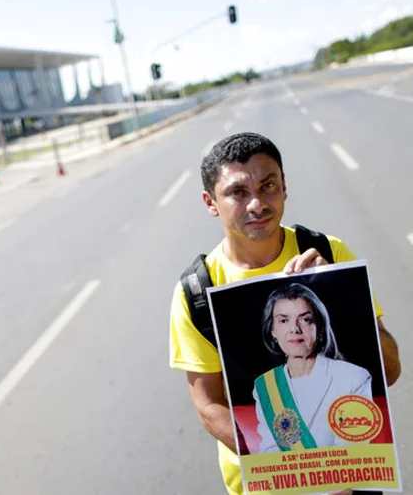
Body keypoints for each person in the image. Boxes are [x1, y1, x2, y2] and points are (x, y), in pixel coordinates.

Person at [168, 132, 401, 495]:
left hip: (353, 483)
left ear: (285, 188)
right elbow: (209, 406)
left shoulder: (329, 252)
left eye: (269, 185)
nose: (258, 203)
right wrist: (291, 471)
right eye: (238, 192)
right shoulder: (198, 290)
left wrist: (341, 297)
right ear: (210, 202)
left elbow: (390, 370)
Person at [252, 283, 373, 454]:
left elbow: (352, 454)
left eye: (305, 319)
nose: (294, 329)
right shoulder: (265, 386)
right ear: (273, 330)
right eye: (284, 320)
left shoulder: (354, 378)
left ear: (320, 327)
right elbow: (270, 451)